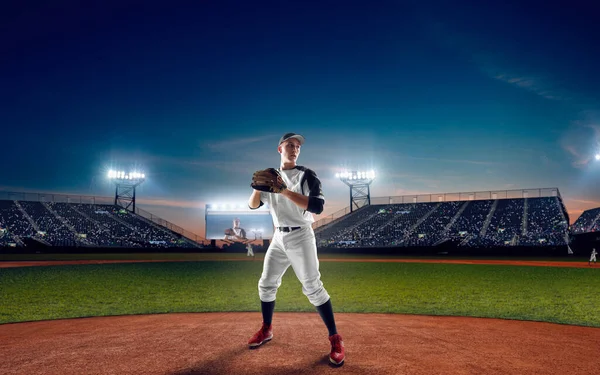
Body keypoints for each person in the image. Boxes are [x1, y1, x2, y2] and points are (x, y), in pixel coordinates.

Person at [247, 132, 345, 366]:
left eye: (298, 146)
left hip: (301, 236)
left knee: (312, 286)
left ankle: (335, 339)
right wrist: (256, 188)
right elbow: (253, 205)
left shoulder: (307, 175)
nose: (295, 148)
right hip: (278, 238)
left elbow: (318, 206)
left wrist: (283, 191)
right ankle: (267, 329)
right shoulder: (270, 176)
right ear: (279, 149)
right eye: (290, 144)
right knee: (266, 283)